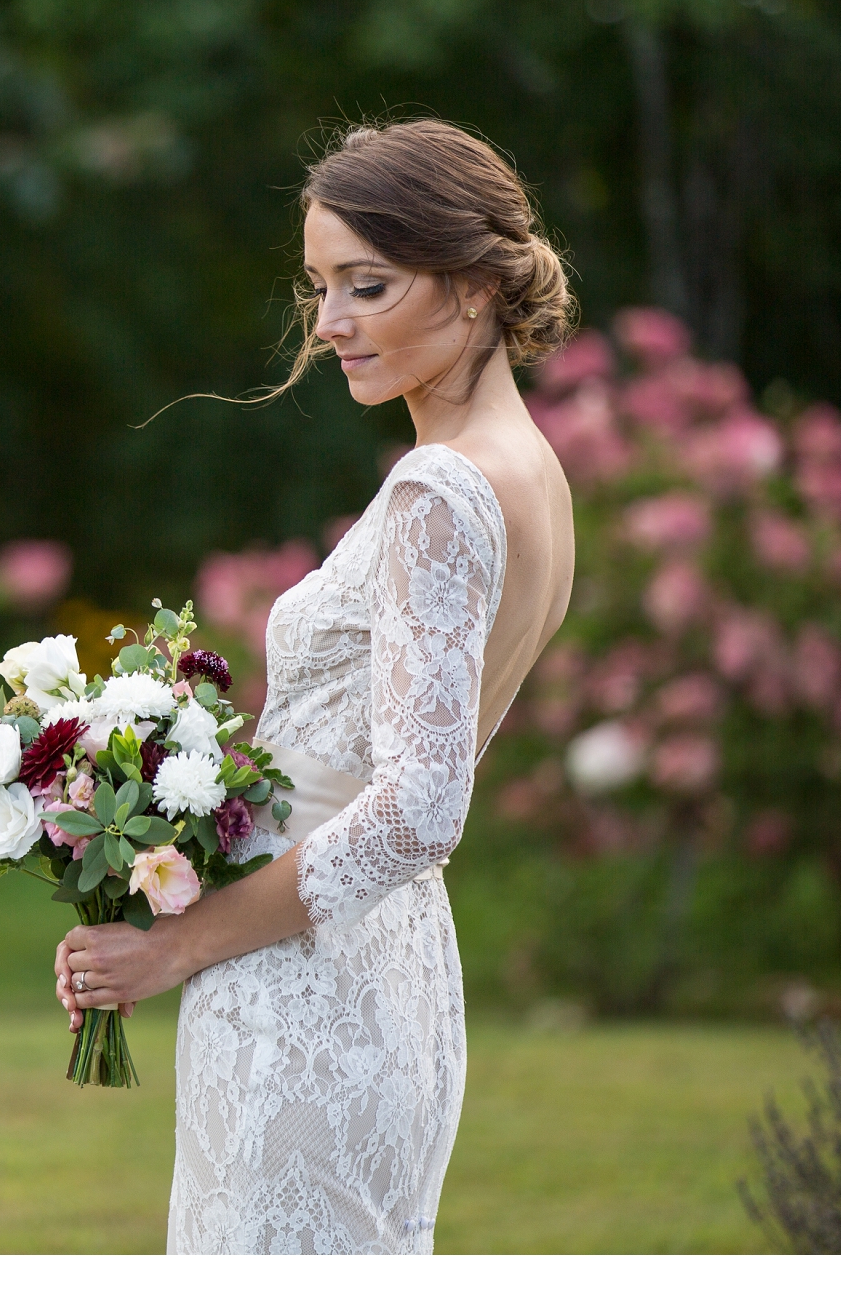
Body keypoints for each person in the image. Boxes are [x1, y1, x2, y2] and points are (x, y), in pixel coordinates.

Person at [54, 118, 578, 1254]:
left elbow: (419, 807)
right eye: (320, 286)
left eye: (367, 284)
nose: (330, 322)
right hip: (385, 972)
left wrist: (179, 945)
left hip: (309, 991)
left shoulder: (444, 488)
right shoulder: (532, 473)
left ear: (479, 285)